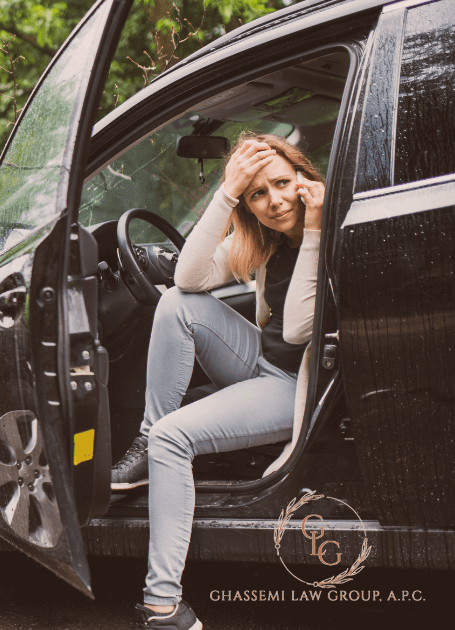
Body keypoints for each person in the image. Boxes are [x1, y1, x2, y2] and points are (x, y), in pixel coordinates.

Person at [112, 133, 325, 630]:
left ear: (302, 177)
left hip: (298, 385)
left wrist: (313, 230)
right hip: (262, 361)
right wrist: (224, 193)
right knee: (176, 305)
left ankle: (161, 605)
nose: (273, 201)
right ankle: (147, 438)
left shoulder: (330, 228)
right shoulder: (264, 239)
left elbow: (296, 329)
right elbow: (187, 279)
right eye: (257, 194)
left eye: (281, 183)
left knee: (174, 439)